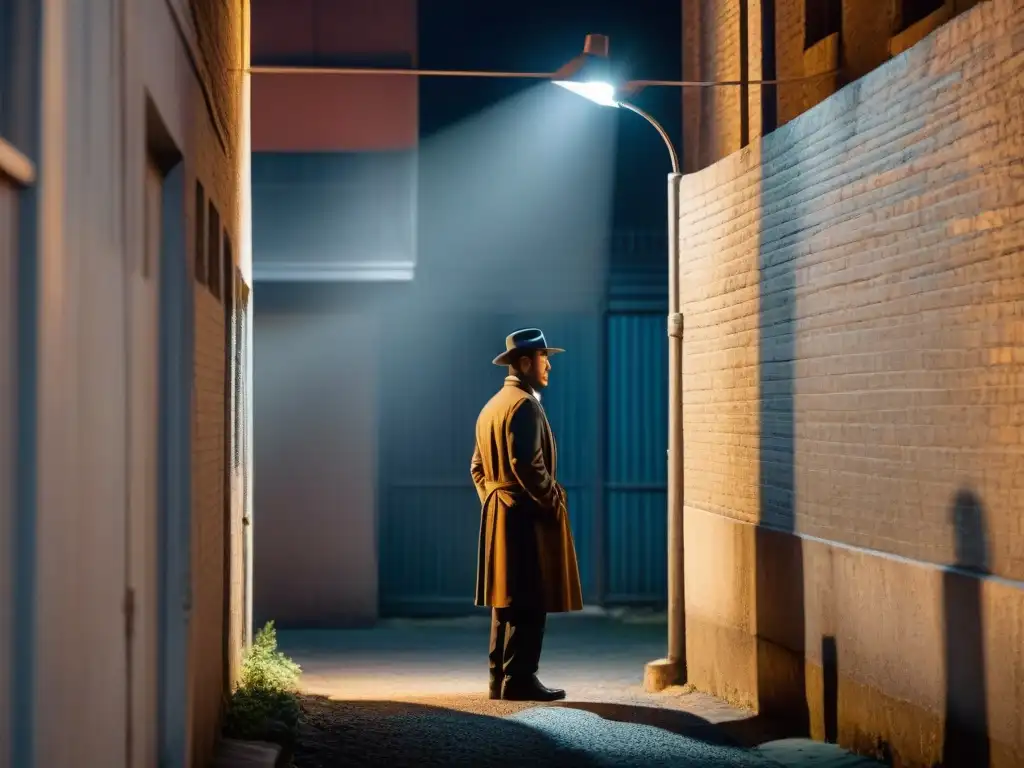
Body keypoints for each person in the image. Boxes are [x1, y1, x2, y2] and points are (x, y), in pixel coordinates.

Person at [471, 328, 584, 702]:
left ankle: (499, 680)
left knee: (506, 600)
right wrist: (552, 498)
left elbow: (476, 467)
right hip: (525, 518)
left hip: (501, 515)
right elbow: (528, 465)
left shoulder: (492, 406)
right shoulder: (524, 405)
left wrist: (493, 499)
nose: (548, 364)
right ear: (524, 363)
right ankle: (519, 680)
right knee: (531, 597)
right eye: (542, 358)